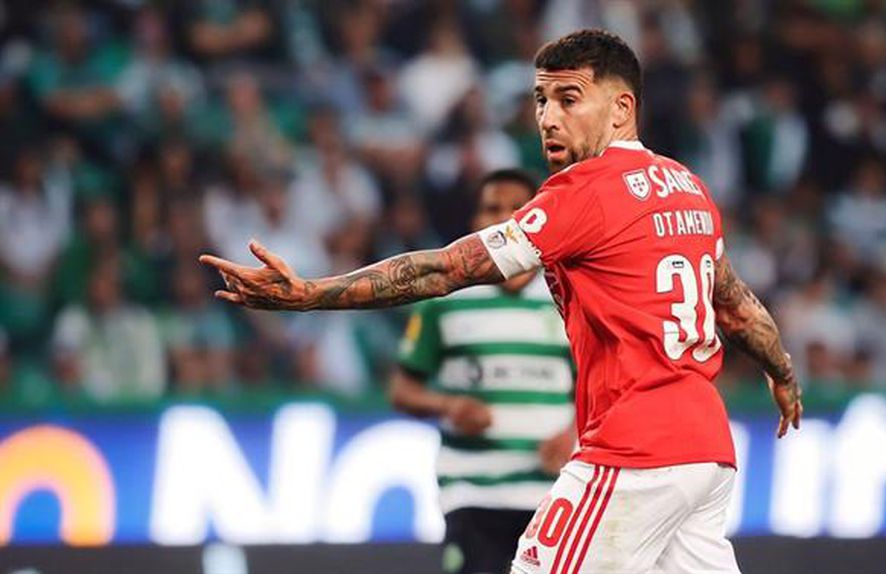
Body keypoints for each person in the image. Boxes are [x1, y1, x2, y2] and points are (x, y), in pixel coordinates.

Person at [202, 29, 802, 574]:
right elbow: (735, 305)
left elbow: (446, 269)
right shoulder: (688, 189)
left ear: (622, 109)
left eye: (569, 99)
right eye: (541, 100)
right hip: (705, 451)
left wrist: (310, 294)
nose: (548, 117)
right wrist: (782, 372)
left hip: (635, 448)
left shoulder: (583, 192)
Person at [389, 169, 576, 574]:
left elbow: (600, 389)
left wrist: (573, 436)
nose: (504, 218)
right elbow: (402, 391)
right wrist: (449, 405)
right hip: (471, 488)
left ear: (536, 219)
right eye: (492, 208)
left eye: (517, 209)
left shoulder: (569, 296)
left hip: (553, 492)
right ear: (475, 220)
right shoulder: (445, 299)